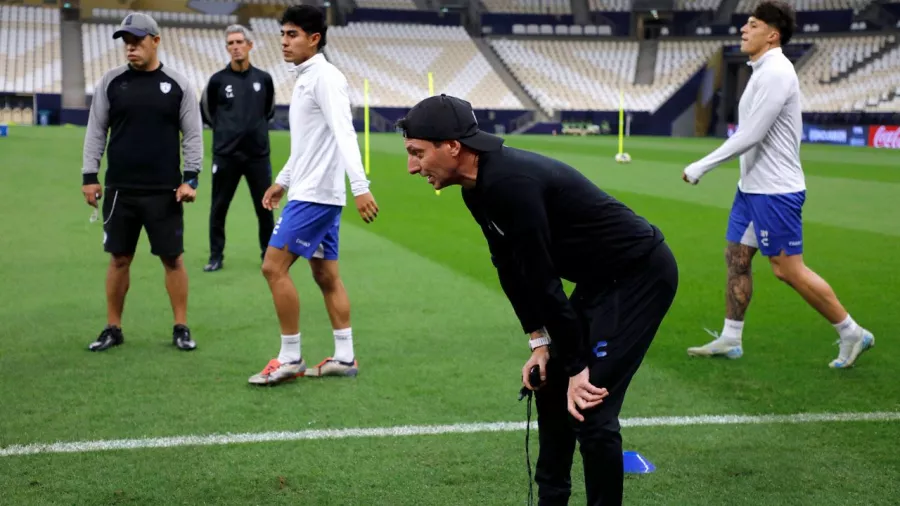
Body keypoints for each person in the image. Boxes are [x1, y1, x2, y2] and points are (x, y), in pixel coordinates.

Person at [397, 94, 679, 506]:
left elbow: (544, 280)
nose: (411, 166)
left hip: (639, 275)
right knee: (550, 387)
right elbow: (510, 269)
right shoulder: (476, 191)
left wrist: (580, 366)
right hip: (599, 279)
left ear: (453, 146)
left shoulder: (511, 183)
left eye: (417, 153)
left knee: (590, 405)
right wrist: (540, 342)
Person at [681, 0, 875, 368]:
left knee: (787, 269)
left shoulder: (777, 72)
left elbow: (752, 134)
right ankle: (730, 338)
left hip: (776, 192)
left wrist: (701, 166)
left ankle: (852, 332)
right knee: (737, 257)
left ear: (772, 35)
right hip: (752, 188)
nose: (743, 29)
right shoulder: (762, 70)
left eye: (752, 25)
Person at [248, 5, 379, 385]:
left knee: (273, 267)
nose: (284, 43)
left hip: (317, 196)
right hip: (309, 190)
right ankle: (345, 356)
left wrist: (361, 186)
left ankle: (289, 358)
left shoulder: (325, 78)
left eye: (292, 35)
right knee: (325, 274)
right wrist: (282, 180)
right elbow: (308, 145)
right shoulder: (306, 77)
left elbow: (344, 133)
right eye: (283, 35)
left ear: (314, 38)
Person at [81, 12, 203, 352]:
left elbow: (192, 135)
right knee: (119, 258)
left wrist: (190, 178)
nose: (130, 47)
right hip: (120, 189)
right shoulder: (111, 82)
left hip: (165, 191)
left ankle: (181, 326)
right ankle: (113, 328)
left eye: (137, 40)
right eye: (126, 41)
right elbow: (96, 132)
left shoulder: (178, 84)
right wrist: (90, 175)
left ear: (156, 41)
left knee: (173, 259)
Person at [200, 24, 276, 272]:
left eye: (239, 42)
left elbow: (268, 111)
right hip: (226, 156)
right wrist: (227, 134)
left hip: (257, 156)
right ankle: (215, 256)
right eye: (230, 43)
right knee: (219, 207)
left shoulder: (263, 79)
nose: (235, 47)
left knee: (264, 208)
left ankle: (268, 254)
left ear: (249, 45)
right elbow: (208, 113)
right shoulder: (217, 81)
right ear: (227, 48)